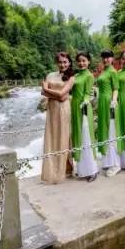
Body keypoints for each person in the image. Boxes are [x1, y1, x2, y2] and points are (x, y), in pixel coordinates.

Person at [40, 52, 74, 183]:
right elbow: (45, 92)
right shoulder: (50, 75)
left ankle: (64, 170)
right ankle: (52, 171)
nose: (63, 64)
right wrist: (57, 95)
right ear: (57, 63)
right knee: (51, 137)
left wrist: (49, 91)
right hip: (52, 109)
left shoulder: (71, 77)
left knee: (63, 137)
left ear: (69, 62)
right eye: (60, 62)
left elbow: (61, 94)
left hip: (64, 110)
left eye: (65, 62)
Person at [71, 51, 99, 182]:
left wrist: (86, 101)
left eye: (84, 60)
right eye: (79, 61)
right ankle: (82, 169)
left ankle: (92, 170)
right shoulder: (76, 75)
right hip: (75, 106)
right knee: (78, 137)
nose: (81, 63)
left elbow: (88, 93)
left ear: (88, 62)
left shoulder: (89, 76)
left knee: (86, 136)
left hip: (83, 107)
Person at [96, 50, 121, 176]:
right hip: (101, 102)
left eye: (107, 57)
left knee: (111, 132)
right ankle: (108, 161)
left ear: (112, 59)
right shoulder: (103, 71)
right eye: (103, 57)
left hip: (109, 103)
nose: (105, 60)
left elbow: (116, 88)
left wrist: (114, 101)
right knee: (104, 131)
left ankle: (116, 164)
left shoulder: (112, 71)